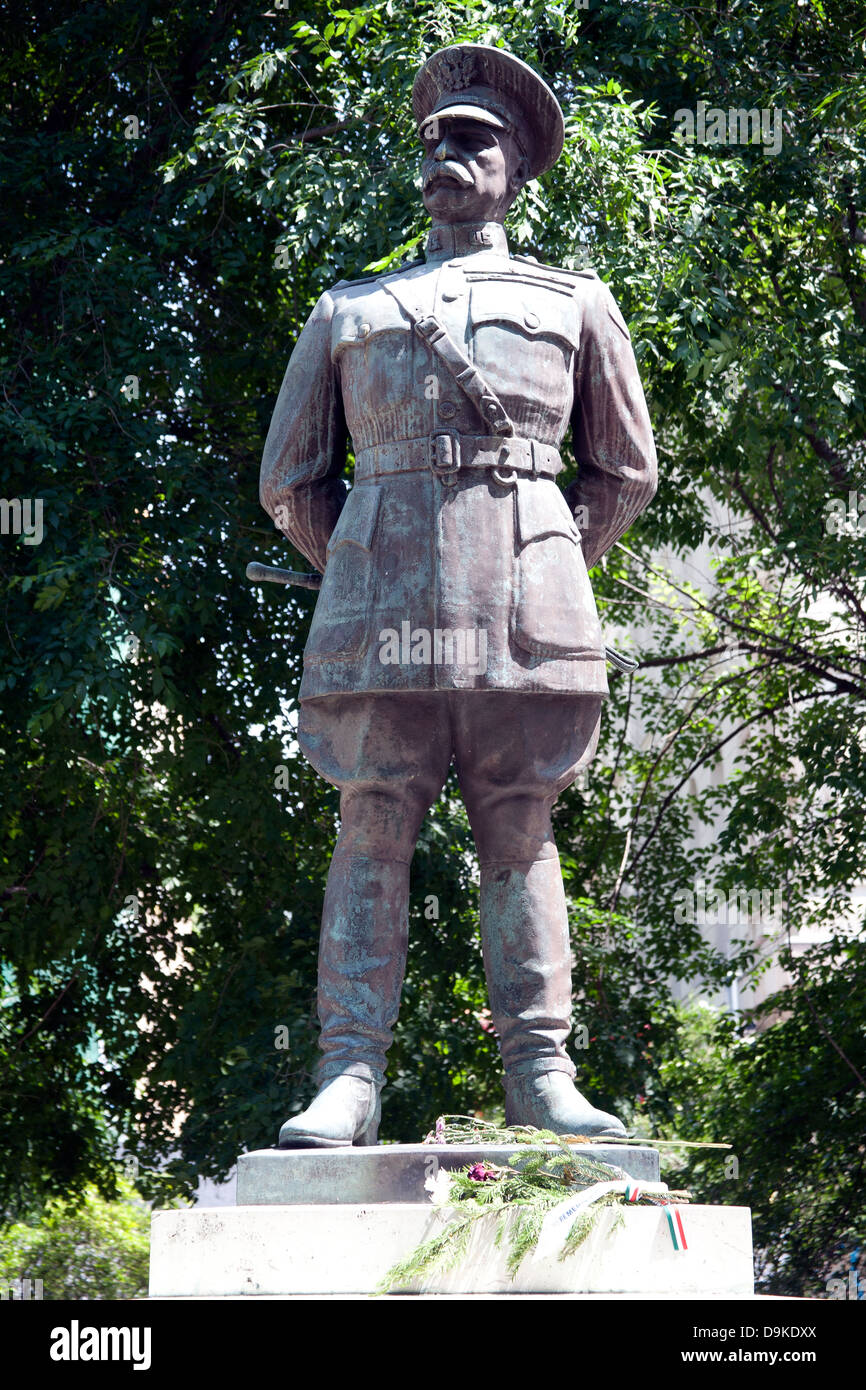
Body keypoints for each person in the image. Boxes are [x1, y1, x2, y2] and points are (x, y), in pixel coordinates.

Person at [259, 43, 657, 1147]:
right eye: (433, 139)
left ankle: (540, 1073)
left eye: (473, 138)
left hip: (526, 615)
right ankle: (346, 1075)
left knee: (520, 831)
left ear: (518, 164)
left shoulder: (574, 301)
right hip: (376, 617)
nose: (445, 153)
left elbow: (623, 472)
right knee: (369, 824)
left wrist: (546, 560)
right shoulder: (349, 307)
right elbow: (288, 479)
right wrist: (368, 563)